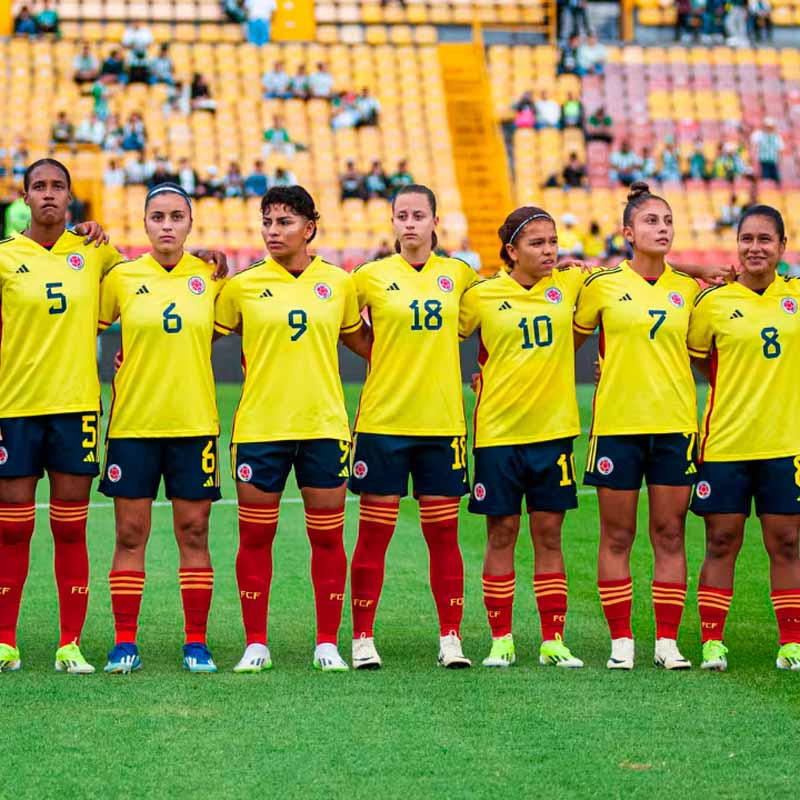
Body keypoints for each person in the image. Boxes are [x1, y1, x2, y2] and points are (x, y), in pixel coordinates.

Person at [214, 185, 371, 673]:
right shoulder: (240, 286)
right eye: (266, 222)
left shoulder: (340, 284)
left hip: (323, 425)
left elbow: (369, 346)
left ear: (310, 227)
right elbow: (197, 338)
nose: (272, 231)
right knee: (255, 539)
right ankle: (255, 643)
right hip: (261, 426)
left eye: (283, 222)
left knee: (327, 538)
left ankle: (327, 642)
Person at [572, 181, 703, 671]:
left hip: (673, 424)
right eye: (651, 221)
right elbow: (566, 341)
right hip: (617, 426)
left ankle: (667, 641)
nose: (662, 229)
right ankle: (621, 640)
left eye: (668, 221)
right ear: (628, 232)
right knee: (617, 535)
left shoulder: (687, 289)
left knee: (670, 533)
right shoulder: (600, 285)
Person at [348, 184, 478, 670]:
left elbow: (490, 320)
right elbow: (341, 323)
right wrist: (377, 354)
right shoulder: (370, 277)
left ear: (434, 221)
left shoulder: (460, 275)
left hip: (441, 424)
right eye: (401, 215)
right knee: (374, 535)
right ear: (392, 223)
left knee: (443, 535)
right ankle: (362, 637)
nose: (409, 223)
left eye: (418, 215)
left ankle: (451, 636)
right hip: (383, 422)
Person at [98, 184, 224, 675]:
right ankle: (124, 642)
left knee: (194, 532)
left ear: (190, 225)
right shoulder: (123, 277)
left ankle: (197, 643)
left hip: (194, 425)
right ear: (145, 224)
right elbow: (84, 324)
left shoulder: (212, 278)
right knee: (130, 534)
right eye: (157, 217)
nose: (167, 225)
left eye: (176, 217)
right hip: (133, 426)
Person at [0, 159, 120, 675]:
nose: (48, 194)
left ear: (71, 196)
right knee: (12, 529)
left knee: (70, 528)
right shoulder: (5, 258)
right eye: (39, 187)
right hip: (15, 408)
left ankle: (70, 644)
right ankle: (6, 642)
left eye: (57, 187)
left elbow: (152, 282)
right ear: (24, 197)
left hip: (75, 408)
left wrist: (207, 263)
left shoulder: (95, 252)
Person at [460, 207, 587, 669]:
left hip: (553, 433)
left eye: (553, 241)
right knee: (502, 532)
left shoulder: (571, 284)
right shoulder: (481, 296)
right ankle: (501, 639)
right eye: (537, 243)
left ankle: (554, 639)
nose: (549, 250)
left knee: (550, 535)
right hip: (497, 434)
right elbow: (435, 334)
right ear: (511, 250)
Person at [688, 205, 800, 672]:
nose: (755, 248)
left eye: (765, 240)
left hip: (784, 444)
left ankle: (792, 643)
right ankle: (713, 642)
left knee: (788, 542)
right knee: (721, 540)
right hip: (726, 444)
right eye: (747, 239)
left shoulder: (796, 295)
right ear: (737, 245)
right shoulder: (712, 303)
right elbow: (698, 360)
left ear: (781, 247)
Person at [751, 119, 782, 183]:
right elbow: (754, 147)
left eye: (770, 127)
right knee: (765, 179)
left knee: (776, 178)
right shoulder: (759, 135)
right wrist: (754, 159)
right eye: (767, 126)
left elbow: (780, 149)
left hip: (773, 161)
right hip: (763, 161)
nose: (768, 128)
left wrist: (779, 160)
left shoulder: (776, 136)